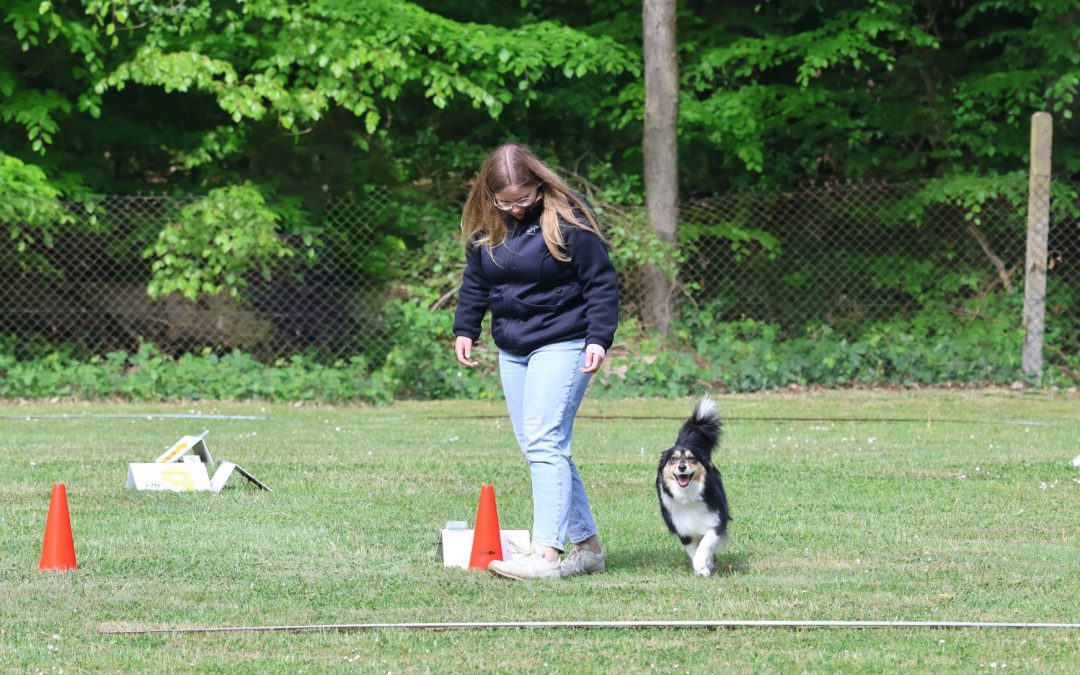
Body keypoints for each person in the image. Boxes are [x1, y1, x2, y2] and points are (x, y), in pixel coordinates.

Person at [453, 143, 619, 580]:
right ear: (489, 196)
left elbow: (601, 283)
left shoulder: (569, 220)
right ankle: (589, 549)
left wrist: (599, 338)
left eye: (523, 199)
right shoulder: (488, 226)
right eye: (505, 201)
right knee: (540, 445)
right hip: (513, 346)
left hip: (563, 341)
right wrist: (465, 328)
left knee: (545, 442)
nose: (516, 208)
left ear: (539, 186)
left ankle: (546, 554)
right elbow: (476, 282)